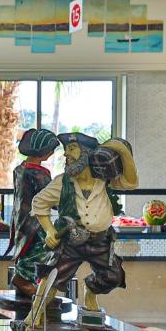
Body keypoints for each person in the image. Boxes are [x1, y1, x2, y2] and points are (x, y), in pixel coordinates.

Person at [31, 133, 138, 313]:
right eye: (66, 150)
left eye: (72, 149)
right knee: (52, 276)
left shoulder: (106, 180)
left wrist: (123, 151)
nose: (66, 154)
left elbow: (131, 182)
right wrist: (49, 230)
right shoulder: (62, 182)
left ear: (87, 153)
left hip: (101, 241)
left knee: (113, 276)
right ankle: (34, 316)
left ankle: (90, 290)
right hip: (70, 241)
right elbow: (39, 203)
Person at [7, 129, 59, 298]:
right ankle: (22, 279)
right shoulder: (39, 174)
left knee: (26, 248)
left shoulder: (19, 169)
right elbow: (50, 197)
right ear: (42, 151)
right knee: (41, 249)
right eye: (51, 150)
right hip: (36, 221)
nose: (52, 154)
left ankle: (27, 280)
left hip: (21, 218)